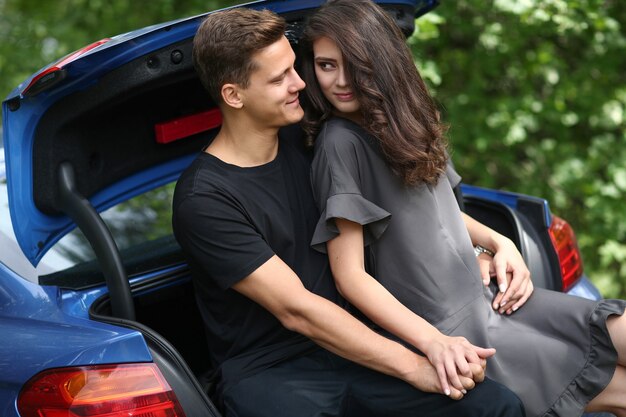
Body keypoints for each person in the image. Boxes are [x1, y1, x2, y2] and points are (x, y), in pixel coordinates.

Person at [173, 6, 525, 417]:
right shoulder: (205, 198)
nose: (300, 83)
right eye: (280, 77)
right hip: (271, 371)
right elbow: (298, 310)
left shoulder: (310, 141)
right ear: (233, 95)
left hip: (357, 343)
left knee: (494, 406)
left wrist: (486, 246)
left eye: (294, 67)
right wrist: (420, 362)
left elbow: (411, 209)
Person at [300, 1, 626, 416]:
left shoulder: (405, 119)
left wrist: (498, 242)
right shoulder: (338, 143)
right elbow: (350, 278)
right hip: (450, 327)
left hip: (487, 296)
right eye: (326, 66)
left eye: (354, 65)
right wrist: (434, 343)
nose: (340, 81)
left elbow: (440, 214)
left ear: (381, 61)